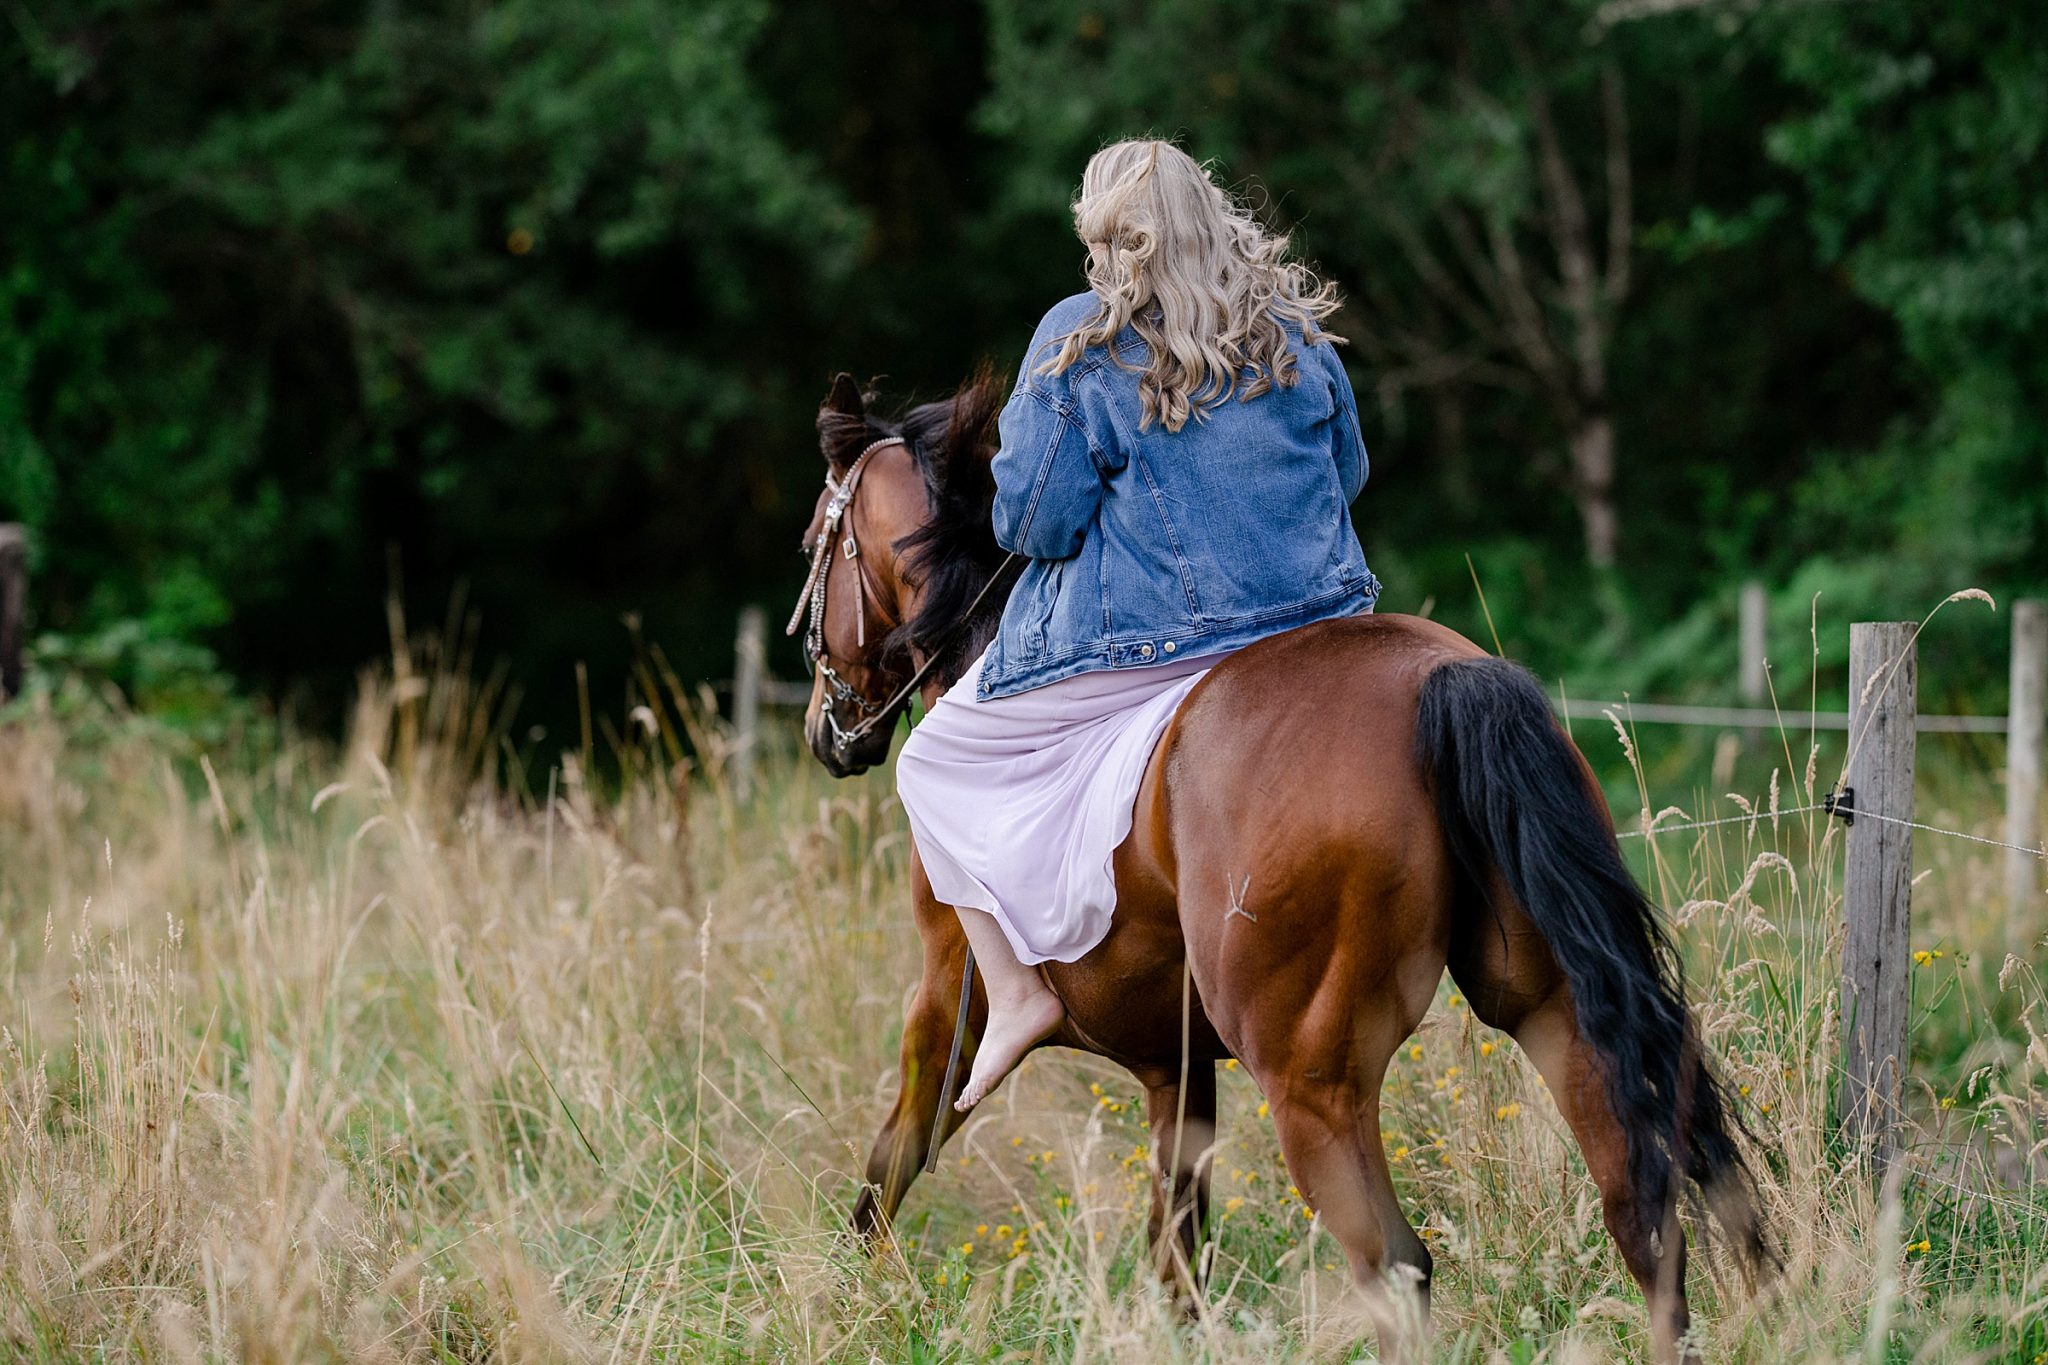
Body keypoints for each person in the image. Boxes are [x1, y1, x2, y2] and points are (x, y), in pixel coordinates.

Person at [895, 139, 1381, 1112]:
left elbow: (1030, 523)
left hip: (1158, 646)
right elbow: (1349, 477)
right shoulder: (1295, 332)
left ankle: (1021, 991)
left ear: (1133, 241)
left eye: (1108, 242)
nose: (1097, 266)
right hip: (1324, 630)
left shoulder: (1082, 337)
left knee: (930, 759)